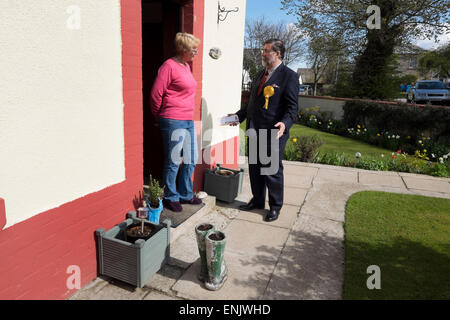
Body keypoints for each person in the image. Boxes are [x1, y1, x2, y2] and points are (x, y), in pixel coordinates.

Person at [229, 39, 299, 222]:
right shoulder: (261, 74)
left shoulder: (288, 76)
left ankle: (275, 207)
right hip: (253, 129)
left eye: (266, 50)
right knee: (255, 168)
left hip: (273, 132)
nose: (263, 53)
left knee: (271, 170)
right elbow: (252, 103)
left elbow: (292, 108)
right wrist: (238, 116)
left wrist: (285, 123)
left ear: (278, 54)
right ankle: (258, 200)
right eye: (263, 50)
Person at [150, 32, 202, 212]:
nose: (196, 52)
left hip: (187, 120)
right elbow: (156, 94)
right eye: (193, 49)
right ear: (182, 49)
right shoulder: (169, 66)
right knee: (173, 161)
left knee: (191, 158)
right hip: (172, 119)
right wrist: (158, 117)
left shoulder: (185, 66)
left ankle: (186, 194)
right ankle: (171, 196)